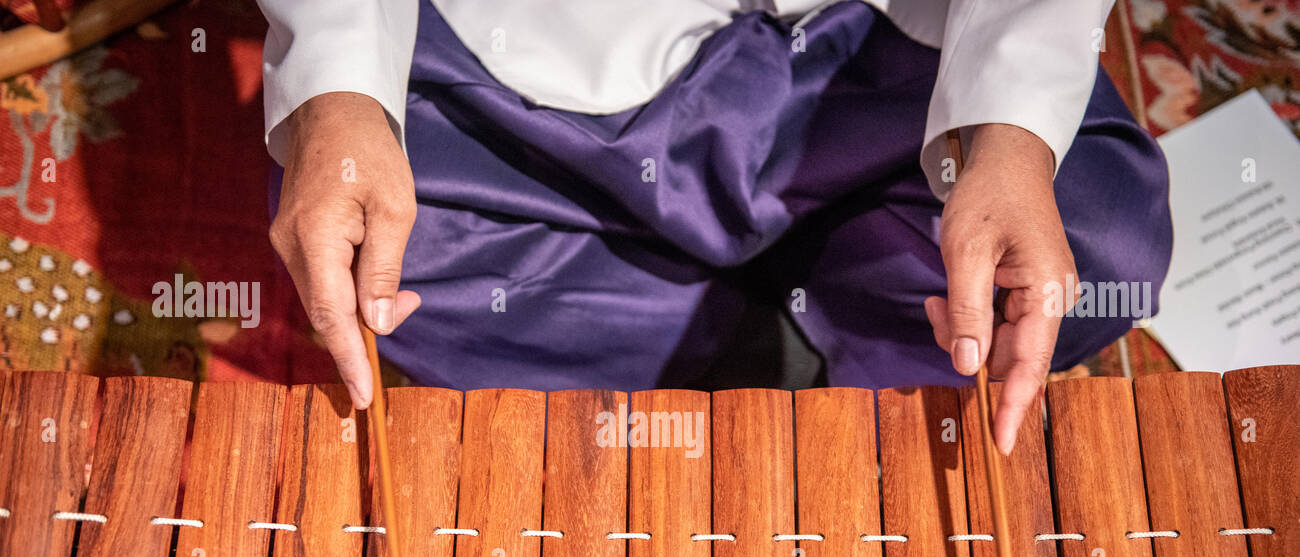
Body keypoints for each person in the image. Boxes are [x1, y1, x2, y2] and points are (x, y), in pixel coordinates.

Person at [256, 0, 1171, 453]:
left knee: (1097, 243)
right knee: (385, 247)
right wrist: (340, 92)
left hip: (880, 43)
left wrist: (1010, 133)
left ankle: (739, 312)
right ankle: (752, 324)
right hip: (546, 64)